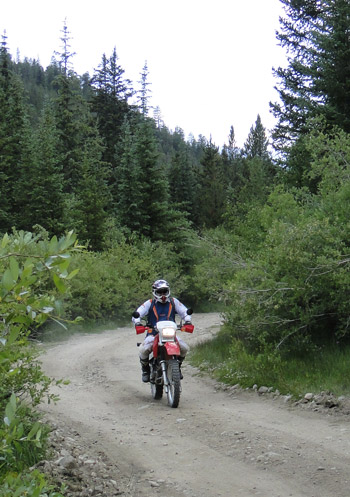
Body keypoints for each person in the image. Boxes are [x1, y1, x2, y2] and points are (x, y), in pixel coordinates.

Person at [132, 279, 192, 382]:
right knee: (143, 349)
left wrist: (187, 320)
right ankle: (145, 370)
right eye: (160, 292)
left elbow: (184, 311)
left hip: (170, 334)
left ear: (168, 291)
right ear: (155, 292)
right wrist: (137, 322)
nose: (163, 294)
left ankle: (177, 367)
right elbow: (138, 313)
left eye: (165, 291)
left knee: (184, 348)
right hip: (153, 333)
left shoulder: (173, 302)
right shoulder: (150, 303)